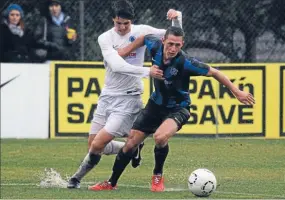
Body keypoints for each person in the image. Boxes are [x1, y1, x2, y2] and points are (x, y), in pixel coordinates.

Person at [89, 26, 256, 192]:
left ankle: (157, 176)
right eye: (170, 44)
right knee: (131, 142)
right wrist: (125, 50)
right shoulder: (154, 45)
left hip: (178, 108)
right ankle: (111, 183)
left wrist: (237, 92)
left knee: (160, 137)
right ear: (163, 41)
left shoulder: (186, 63)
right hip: (155, 105)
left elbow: (215, 72)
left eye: (177, 45)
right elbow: (144, 37)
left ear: (182, 44)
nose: (173, 48)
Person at [67, 0, 182, 189]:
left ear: (132, 21)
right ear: (113, 20)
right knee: (94, 146)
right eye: (118, 23)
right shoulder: (105, 38)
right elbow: (116, 65)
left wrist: (177, 17)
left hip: (129, 98)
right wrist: (147, 72)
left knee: (98, 144)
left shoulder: (142, 31)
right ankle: (133, 148)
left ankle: (75, 180)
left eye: (126, 24)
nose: (122, 27)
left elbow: (175, 36)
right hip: (107, 97)